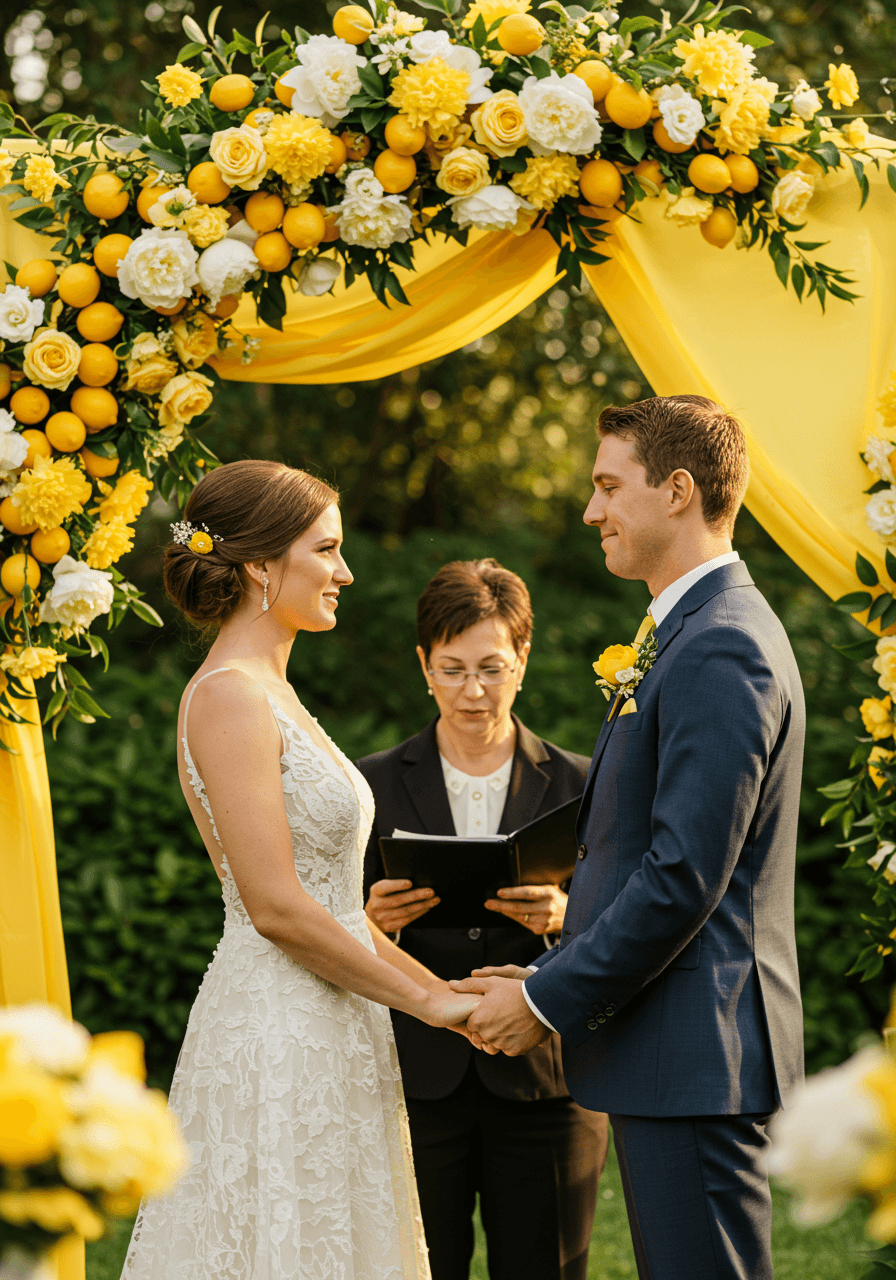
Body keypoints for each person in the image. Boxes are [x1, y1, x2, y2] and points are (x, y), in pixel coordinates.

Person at [452, 396, 805, 1280]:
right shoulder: (685, 631)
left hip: (698, 1056)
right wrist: (548, 973)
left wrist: (544, 1002)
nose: (591, 510)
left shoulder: (722, 644)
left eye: (609, 486)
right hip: (675, 1052)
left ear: (678, 491)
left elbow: (683, 876)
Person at [121, 460, 480, 1280]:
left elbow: (337, 908)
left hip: (336, 1020)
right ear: (259, 564)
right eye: (326, 549)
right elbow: (276, 907)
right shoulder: (230, 695)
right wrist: (430, 1004)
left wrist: (449, 999)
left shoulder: (274, 692)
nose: (344, 572)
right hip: (278, 1030)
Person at [358, 559, 608, 1280]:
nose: (473, 691)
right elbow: (326, 922)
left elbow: (634, 916)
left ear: (522, 659)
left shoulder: (584, 782)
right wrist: (373, 919)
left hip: (546, 1082)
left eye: (492, 668)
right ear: (424, 666)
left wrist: (567, 915)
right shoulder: (369, 782)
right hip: (413, 1081)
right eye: (453, 669)